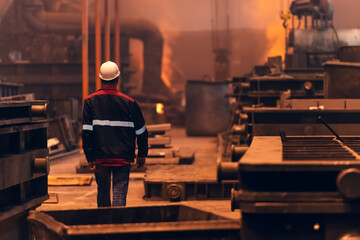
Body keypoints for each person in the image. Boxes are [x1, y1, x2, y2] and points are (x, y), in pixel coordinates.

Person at [82, 61, 148, 207]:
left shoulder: (89, 102)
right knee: (119, 195)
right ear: (118, 79)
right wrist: (142, 154)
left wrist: (90, 157)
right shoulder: (130, 103)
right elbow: (142, 131)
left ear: (101, 79)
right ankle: (117, 225)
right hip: (123, 157)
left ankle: (104, 225)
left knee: (103, 193)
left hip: (100, 157)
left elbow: (86, 133)